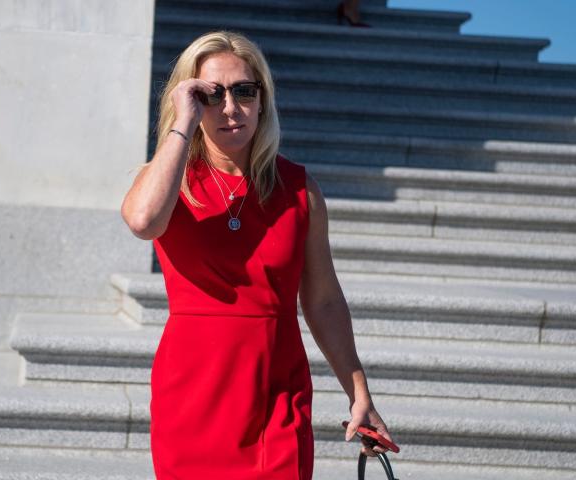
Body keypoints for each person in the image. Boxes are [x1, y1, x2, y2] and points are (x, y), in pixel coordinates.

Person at [120, 30, 396, 479]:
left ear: (263, 99)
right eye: (211, 94)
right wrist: (182, 121)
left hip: (275, 389)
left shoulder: (299, 188)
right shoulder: (171, 180)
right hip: (193, 390)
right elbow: (143, 221)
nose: (230, 108)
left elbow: (324, 300)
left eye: (244, 92)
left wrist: (358, 391)